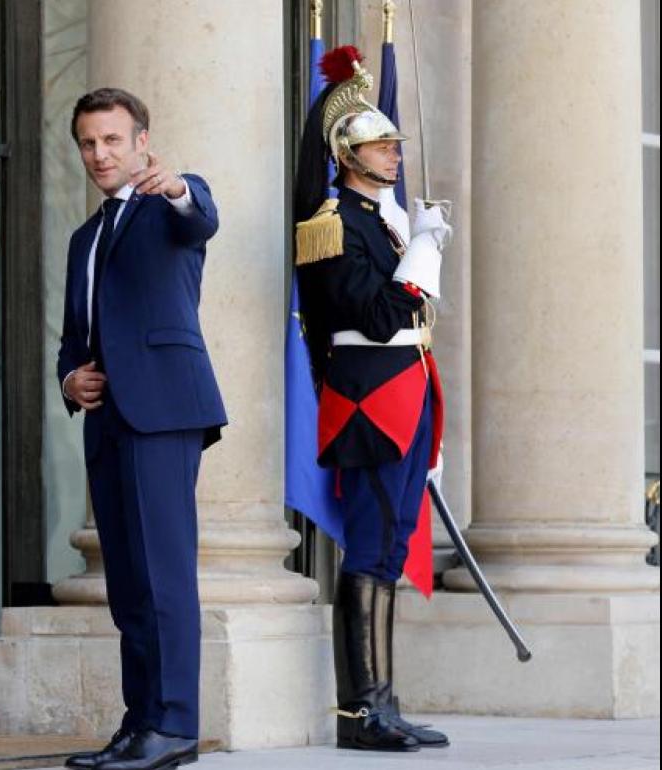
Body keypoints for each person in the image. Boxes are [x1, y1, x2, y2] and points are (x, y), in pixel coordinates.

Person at [57, 87, 225, 770]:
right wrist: (70, 379)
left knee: (164, 575)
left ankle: (176, 724)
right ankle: (141, 723)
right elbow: (74, 338)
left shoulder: (172, 204)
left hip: (164, 411)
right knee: (128, 583)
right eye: (89, 144)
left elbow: (201, 217)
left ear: (142, 143)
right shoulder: (84, 238)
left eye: (113, 141)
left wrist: (180, 187)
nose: (100, 154)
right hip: (109, 420)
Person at [292, 45, 451, 752]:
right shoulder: (332, 223)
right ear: (347, 155)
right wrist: (421, 253)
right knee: (369, 546)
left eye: (393, 146)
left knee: (387, 548)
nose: (393, 157)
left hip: (405, 392)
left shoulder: (376, 221)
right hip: (368, 398)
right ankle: (359, 713)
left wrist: (414, 247)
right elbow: (376, 313)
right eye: (381, 147)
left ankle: (382, 701)